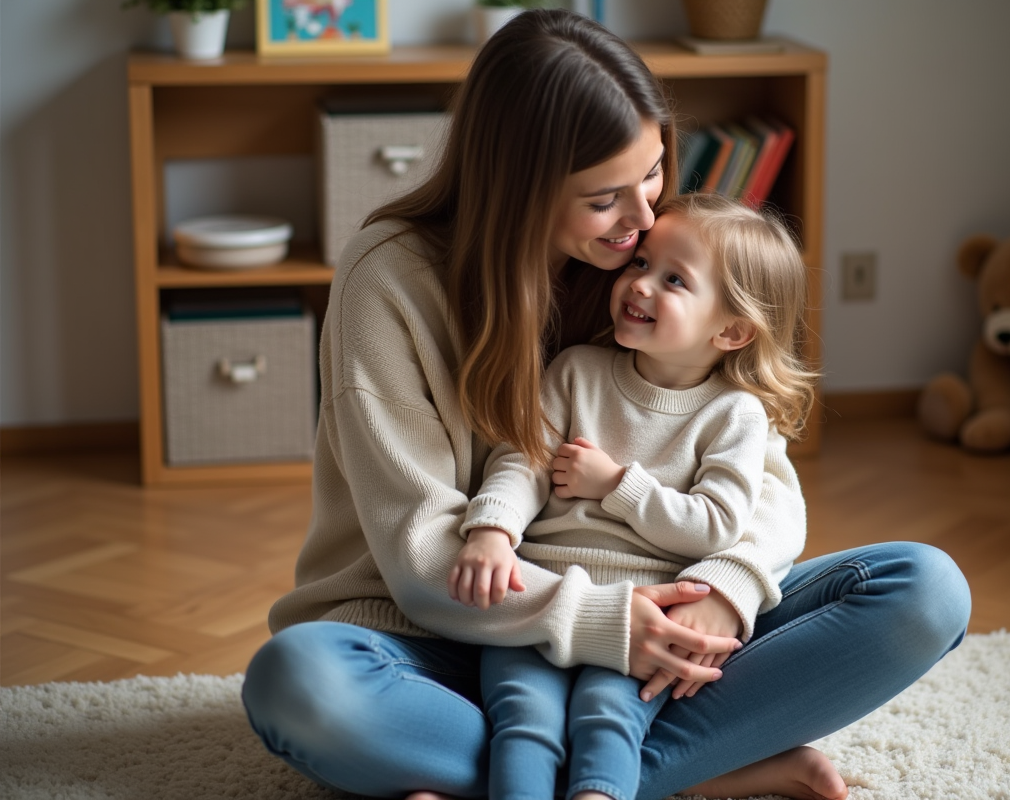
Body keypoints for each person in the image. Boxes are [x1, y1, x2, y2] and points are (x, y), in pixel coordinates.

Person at [241, 10, 971, 800]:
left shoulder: (646, 268)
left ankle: (545, 773)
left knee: (923, 591)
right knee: (297, 683)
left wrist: (724, 593)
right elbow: (422, 562)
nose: (646, 217)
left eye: (654, 172)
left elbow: (759, 479)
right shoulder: (387, 282)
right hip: (442, 633)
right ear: (516, 188)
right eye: (605, 198)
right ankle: (682, 773)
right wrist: (605, 623)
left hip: (661, 604)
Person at [450, 191, 819, 800]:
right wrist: (491, 530)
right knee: (521, 722)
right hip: (539, 598)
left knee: (607, 722)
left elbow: (715, 527)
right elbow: (523, 460)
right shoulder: (575, 371)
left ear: (731, 329)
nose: (640, 284)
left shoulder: (735, 416)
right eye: (641, 264)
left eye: (674, 279)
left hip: (646, 616)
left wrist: (617, 486)